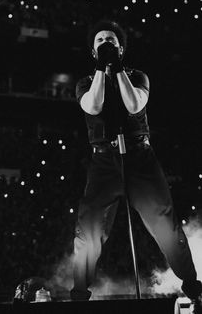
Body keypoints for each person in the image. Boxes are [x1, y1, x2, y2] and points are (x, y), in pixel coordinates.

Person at [70, 19, 202, 312]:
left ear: (121, 47)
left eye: (111, 39)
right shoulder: (85, 83)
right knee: (89, 226)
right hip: (105, 160)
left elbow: (134, 105)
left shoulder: (138, 76)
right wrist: (102, 72)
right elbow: (93, 106)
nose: (106, 42)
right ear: (93, 50)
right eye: (100, 40)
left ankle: (193, 285)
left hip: (140, 158)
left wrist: (116, 69)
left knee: (164, 221)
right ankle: (79, 293)